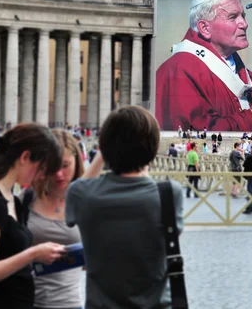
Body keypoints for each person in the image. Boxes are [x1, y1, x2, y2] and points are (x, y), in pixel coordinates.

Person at [65, 106, 183, 308]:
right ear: (153, 148)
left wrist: (105, 152)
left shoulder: (81, 194)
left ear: (104, 146)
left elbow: (80, 185)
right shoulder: (169, 194)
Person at [0, 123, 66, 308]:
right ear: (25, 157)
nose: (42, 177)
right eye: (41, 168)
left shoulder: (13, 200)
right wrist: (33, 254)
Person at [155, 0, 252, 132]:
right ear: (205, 28)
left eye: (243, 16)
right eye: (233, 17)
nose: (244, 24)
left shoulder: (247, 76)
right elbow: (194, 131)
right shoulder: (179, 71)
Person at [23, 129, 85, 309]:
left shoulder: (87, 202)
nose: (59, 174)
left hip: (70, 303)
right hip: (26, 301)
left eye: (65, 166)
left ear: (77, 160)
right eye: (53, 166)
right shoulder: (25, 199)